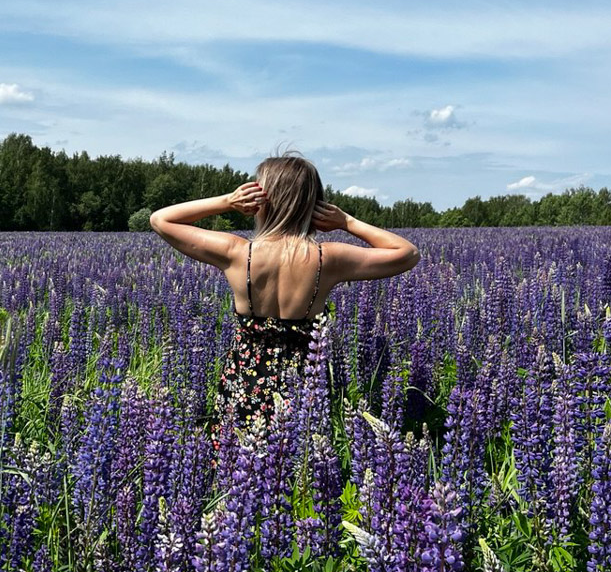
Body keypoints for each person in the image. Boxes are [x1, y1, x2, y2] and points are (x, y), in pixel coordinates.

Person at [149, 152, 420, 445]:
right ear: (314, 205)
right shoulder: (326, 258)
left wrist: (226, 201)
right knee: (298, 468)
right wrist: (346, 221)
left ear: (258, 203)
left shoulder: (236, 252)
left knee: (235, 468)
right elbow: (407, 254)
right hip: (304, 385)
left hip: (243, 383)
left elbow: (160, 219)